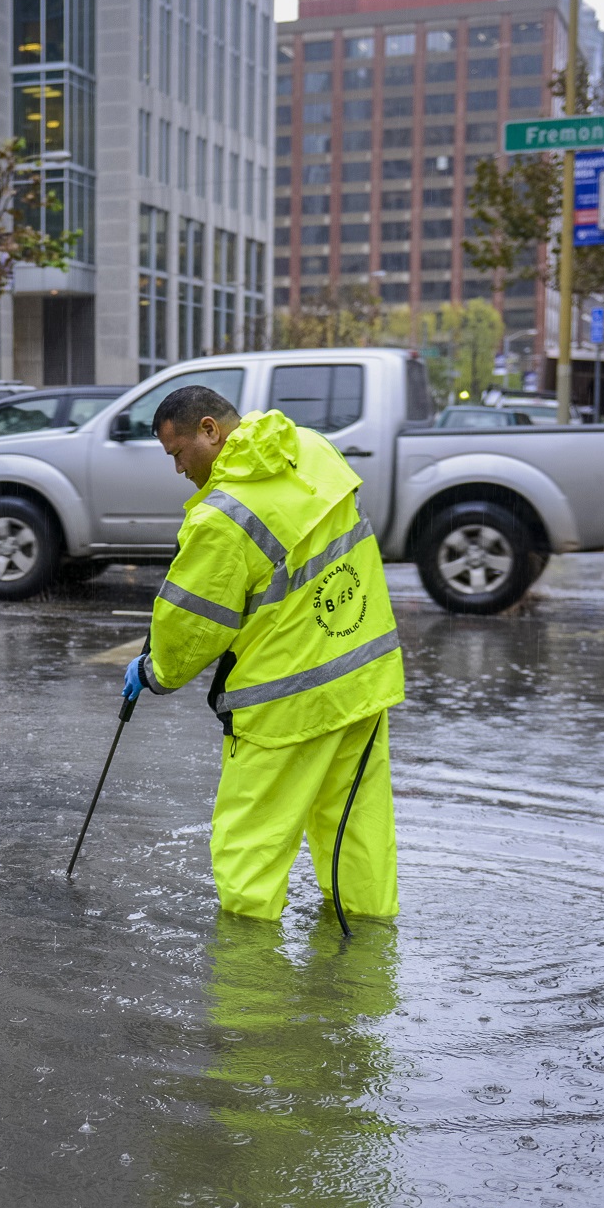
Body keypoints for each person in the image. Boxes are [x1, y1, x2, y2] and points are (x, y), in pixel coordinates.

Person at [121, 385, 404, 923]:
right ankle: (368, 966)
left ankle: (250, 990)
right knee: (357, 834)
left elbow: (190, 627)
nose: (179, 469)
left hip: (284, 707)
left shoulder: (222, 518)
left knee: (249, 853)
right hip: (361, 679)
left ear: (211, 430)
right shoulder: (313, 449)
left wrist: (153, 671)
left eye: (179, 453)